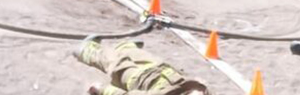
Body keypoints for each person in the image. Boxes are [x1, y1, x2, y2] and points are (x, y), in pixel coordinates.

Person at [74, 38, 209, 95]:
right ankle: (126, 47)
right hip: (162, 70)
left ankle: (87, 51)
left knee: (117, 64)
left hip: (140, 78)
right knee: (138, 55)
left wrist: (102, 90)